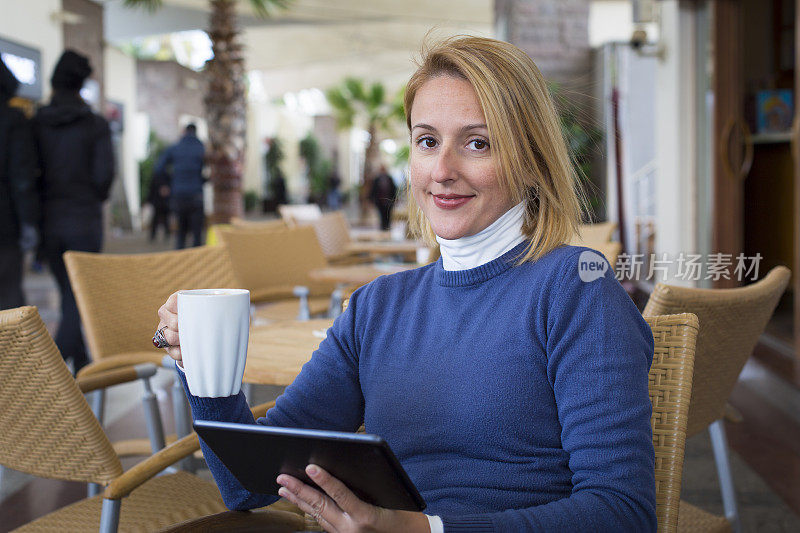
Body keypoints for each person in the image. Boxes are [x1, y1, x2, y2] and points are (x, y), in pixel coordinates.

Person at [157, 36, 655, 532]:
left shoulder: (576, 288)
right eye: (427, 141)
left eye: (477, 143)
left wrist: (425, 530)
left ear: (530, 158)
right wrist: (201, 365)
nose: (442, 172)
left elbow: (623, 514)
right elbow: (251, 485)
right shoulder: (378, 306)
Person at [34, 50, 113, 373]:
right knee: (76, 295)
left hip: (49, 219)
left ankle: (82, 361)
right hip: (83, 218)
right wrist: (91, 196)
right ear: (82, 83)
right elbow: (104, 176)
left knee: (68, 291)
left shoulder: (37, 122)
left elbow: (30, 170)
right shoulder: (95, 124)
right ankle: (56, 362)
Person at [0, 57, 38, 310]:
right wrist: (29, 223)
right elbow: (21, 177)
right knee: (9, 299)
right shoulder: (12, 120)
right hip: (5, 223)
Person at [154, 123, 205, 249]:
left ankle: (180, 264)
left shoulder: (175, 147)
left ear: (184, 131)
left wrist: (169, 182)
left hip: (178, 194)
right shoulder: (201, 147)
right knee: (197, 235)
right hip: (196, 194)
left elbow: (158, 168)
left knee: (180, 233)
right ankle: (198, 264)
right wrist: (203, 180)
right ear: (196, 131)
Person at [146, 167, 171, 242]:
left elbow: (151, 189)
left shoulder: (160, 176)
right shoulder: (165, 176)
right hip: (159, 201)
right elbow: (152, 189)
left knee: (161, 219)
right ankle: (156, 235)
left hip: (161, 202)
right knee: (158, 219)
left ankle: (161, 235)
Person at [370, 165, 397, 231]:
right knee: (381, 215)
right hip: (379, 201)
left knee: (388, 215)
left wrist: (395, 199)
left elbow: (394, 189)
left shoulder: (389, 178)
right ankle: (382, 228)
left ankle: (388, 228)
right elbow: (373, 190)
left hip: (389, 201)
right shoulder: (377, 179)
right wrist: (371, 199)